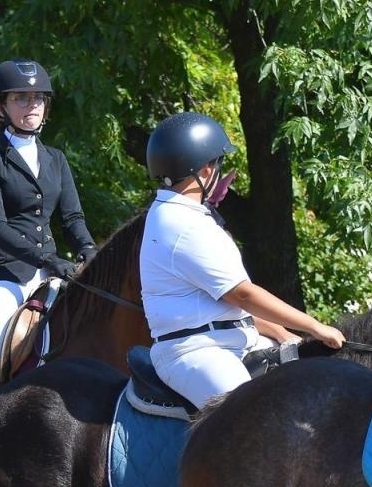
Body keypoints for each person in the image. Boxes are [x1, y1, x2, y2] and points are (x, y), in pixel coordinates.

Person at [140, 111, 343, 408]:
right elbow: (243, 294)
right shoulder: (181, 224)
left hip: (231, 339)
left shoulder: (181, 214)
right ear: (206, 171)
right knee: (252, 419)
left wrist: (282, 333)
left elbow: (228, 305)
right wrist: (314, 326)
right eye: (218, 164)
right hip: (197, 352)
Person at [0, 58, 97, 404]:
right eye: (20, 99)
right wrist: (47, 259)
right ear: (0, 106)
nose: (32, 106)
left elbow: (72, 218)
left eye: (38, 98)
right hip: (3, 273)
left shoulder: (55, 159)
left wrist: (90, 252)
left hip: (48, 273)